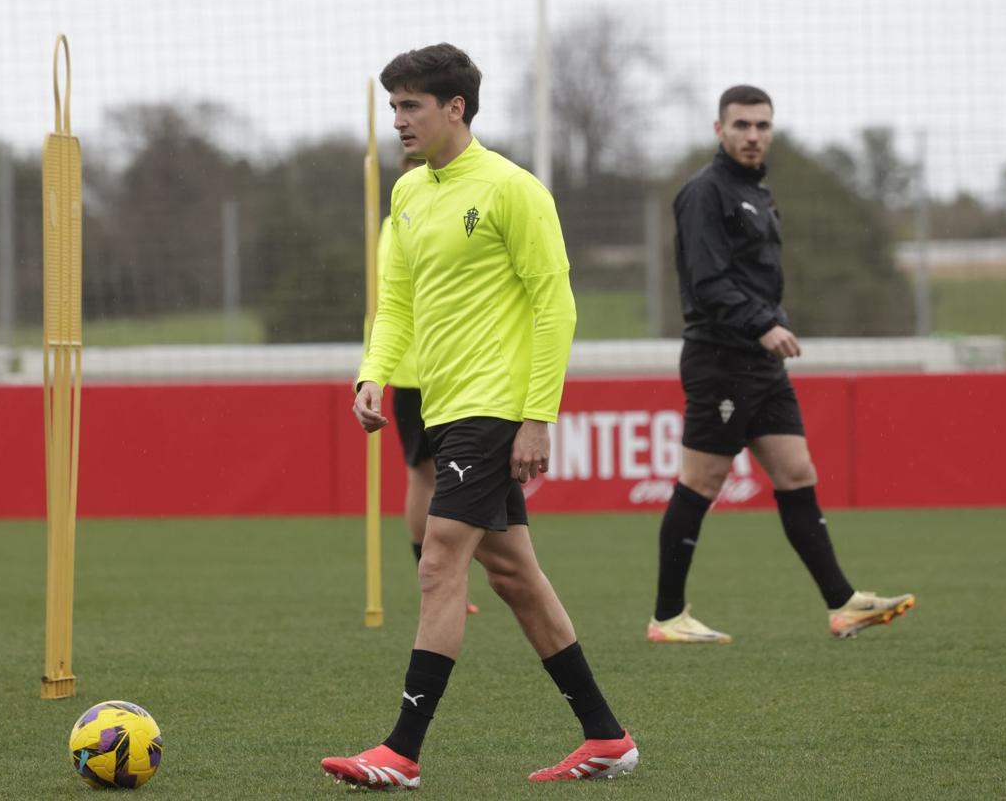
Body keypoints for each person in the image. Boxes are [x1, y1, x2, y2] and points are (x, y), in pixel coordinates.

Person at [321, 44, 637, 790]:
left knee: (438, 565)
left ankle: (401, 751)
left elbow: (555, 305)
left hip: (493, 410)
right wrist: (374, 373)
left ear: (454, 108)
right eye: (392, 105)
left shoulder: (512, 190)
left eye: (410, 106)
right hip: (434, 404)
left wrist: (538, 417)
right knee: (514, 575)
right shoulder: (408, 195)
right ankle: (607, 737)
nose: (396, 120)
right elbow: (396, 302)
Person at [648, 86, 915, 644]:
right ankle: (667, 617)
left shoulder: (757, 192)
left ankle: (842, 604)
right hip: (721, 357)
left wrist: (770, 322)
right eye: (741, 124)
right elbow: (708, 280)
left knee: (796, 472)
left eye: (762, 125)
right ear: (718, 129)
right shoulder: (705, 192)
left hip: (760, 361)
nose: (752, 135)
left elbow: (753, 276)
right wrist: (762, 322)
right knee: (702, 480)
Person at [377, 154, 479, 615]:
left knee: (437, 476)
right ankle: (435, 574)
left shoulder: (414, 219)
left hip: (438, 370)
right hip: (425, 370)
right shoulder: (405, 223)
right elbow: (397, 301)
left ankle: (442, 573)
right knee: (431, 476)